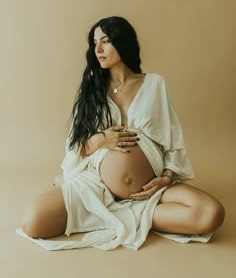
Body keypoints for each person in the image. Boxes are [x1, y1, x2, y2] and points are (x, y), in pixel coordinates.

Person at [17, 16, 225, 250]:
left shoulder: (154, 84)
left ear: (122, 42)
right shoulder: (92, 88)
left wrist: (166, 177)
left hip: (149, 189)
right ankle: (122, 215)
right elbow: (75, 146)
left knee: (211, 214)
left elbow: (172, 135)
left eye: (105, 41)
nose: (98, 49)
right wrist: (100, 140)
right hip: (97, 185)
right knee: (32, 221)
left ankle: (118, 216)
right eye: (95, 42)